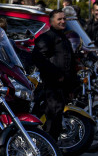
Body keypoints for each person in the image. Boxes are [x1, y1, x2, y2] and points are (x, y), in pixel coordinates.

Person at [31, 9, 75, 144]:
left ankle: (53, 148)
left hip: (62, 88)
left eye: (64, 19)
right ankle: (49, 150)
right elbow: (39, 58)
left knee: (57, 120)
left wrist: (71, 87)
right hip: (51, 87)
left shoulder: (64, 38)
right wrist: (56, 74)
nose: (62, 21)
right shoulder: (47, 38)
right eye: (59, 19)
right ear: (51, 21)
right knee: (51, 119)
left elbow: (70, 63)